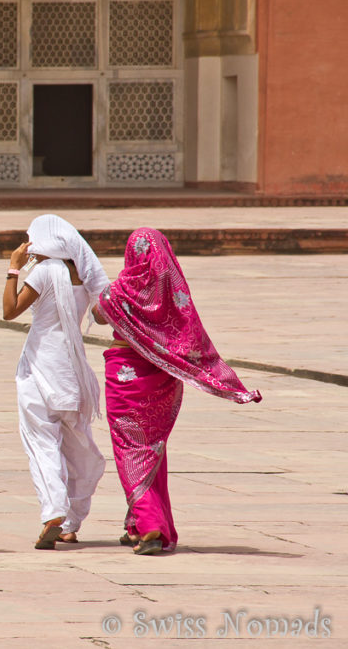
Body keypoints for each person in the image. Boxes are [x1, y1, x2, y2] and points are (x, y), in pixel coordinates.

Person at [93, 228, 262, 555]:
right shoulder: (174, 292)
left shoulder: (120, 291)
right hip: (163, 380)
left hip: (127, 376)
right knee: (152, 448)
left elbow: (99, 314)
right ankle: (141, 524)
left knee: (130, 447)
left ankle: (150, 525)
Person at [2, 214, 109, 550]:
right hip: (72, 371)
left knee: (42, 443)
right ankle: (71, 523)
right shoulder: (83, 276)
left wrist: (13, 269)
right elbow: (103, 316)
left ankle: (53, 512)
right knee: (78, 448)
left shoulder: (46, 272)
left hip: (40, 369)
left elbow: (9, 310)